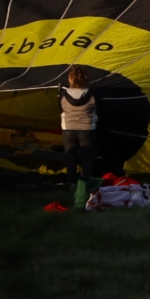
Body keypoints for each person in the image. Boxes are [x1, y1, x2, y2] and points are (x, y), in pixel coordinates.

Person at [59, 66, 98, 208]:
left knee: (71, 157)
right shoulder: (92, 94)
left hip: (68, 128)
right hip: (87, 129)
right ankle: (87, 186)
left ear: (70, 79)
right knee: (87, 159)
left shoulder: (63, 95)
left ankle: (71, 183)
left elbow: (60, 107)